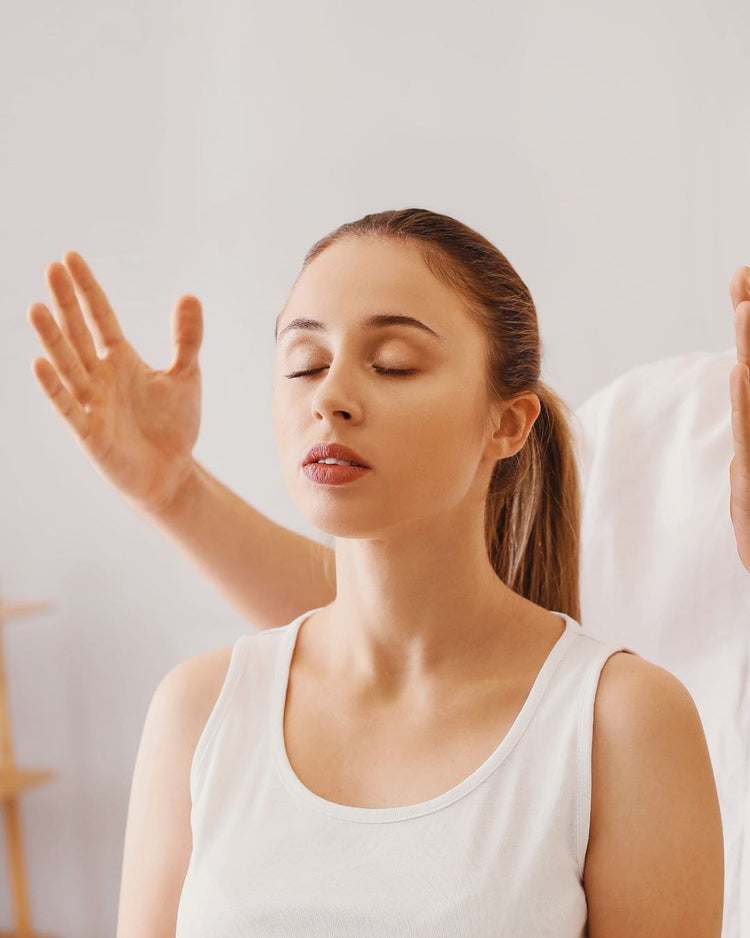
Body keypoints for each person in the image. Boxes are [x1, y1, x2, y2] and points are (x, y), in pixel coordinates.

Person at [27, 208, 727, 936]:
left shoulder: (621, 721)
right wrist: (169, 490)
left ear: (508, 423)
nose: (329, 396)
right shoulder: (198, 711)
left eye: (392, 363)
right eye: (304, 363)